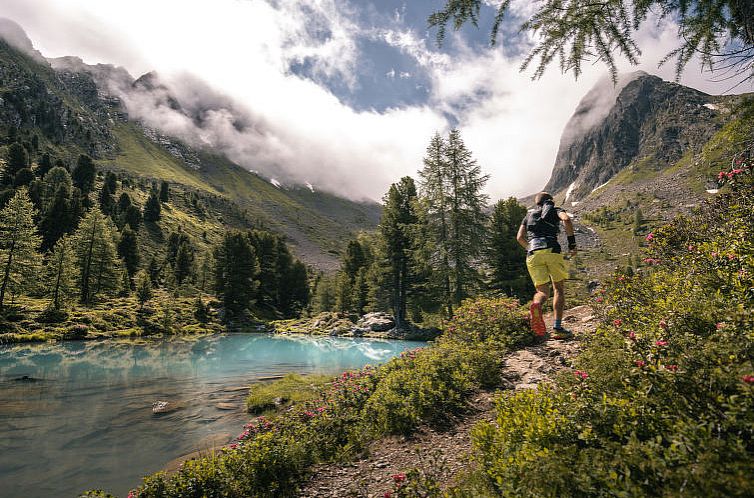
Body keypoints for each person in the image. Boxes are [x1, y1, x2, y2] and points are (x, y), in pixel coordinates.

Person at [516, 191, 577, 341]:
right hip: (552, 250)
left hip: (533, 254)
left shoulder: (528, 215)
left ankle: (536, 305)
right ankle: (557, 327)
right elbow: (567, 220)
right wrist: (572, 244)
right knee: (558, 289)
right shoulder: (555, 211)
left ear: (537, 203)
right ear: (550, 201)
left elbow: (519, 238)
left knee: (542, 291)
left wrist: (530, 248)